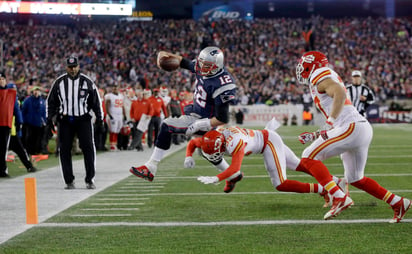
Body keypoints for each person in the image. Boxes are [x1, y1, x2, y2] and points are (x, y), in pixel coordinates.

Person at [296, 51, 410, 222]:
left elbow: (340, 94)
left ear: (311, 65)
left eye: (303, 65)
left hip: (351, 127)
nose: (300, 69)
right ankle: (398, 203)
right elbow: (338, 114)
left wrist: (330, 121)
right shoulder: (325, 75)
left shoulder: (319, 73)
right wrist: (317, 133)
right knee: (356, 178)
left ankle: (339, 196)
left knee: (308, 157)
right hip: (357, 127)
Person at [130, 46, 237, 182]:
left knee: (166, 125)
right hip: (196, 112)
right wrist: (164, 55)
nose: (201, 67)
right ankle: (233, 175)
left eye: (206, 65)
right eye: (201, 63)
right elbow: (182, 61)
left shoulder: (223, 83)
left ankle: (151, 167)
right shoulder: (201, 67)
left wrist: (200, 124)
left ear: (216, 66)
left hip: (205, 120)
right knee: (207, 151)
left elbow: (223, 118)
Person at [191, 126, 328, 199]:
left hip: (268, 142)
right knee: (298, 165)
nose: (215, 157)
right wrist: (188, 157)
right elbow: (193, 142)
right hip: (266, 139)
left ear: (220, 145)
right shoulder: (212, 138)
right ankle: (333, 182)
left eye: (215, 153)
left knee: (280, 184)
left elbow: (235, 168)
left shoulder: (234, 142)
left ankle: (324, 189)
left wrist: (217, 177)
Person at [46, 56, 103, 190]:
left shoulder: (87, 82)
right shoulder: (59, 82)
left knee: (88, 148)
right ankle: (69, 180)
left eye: (75, 66)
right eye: (70, 67)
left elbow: (96, 102)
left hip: (83, 118)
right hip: (65, 120)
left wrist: (100, 119)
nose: (72, 69)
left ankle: (90, 179)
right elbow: (51, 102)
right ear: (66, 67)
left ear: (78, 66)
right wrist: (51, 118)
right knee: (64, 149)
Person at [0, 70, 17, 177]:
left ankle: (2, 169)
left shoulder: (11, 92)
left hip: (5, 124)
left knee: (2, 149)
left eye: (2, 79)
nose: (0, 81)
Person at [21, 86, 47, 155]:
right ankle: (29, 151)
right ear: (33, 92)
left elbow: (43, 112)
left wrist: (45, 121)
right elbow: (23, 111)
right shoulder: (27, 100)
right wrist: (24, 121)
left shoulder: (42, 101)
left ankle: (37, 151)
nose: (36, 92)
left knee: (38, 138)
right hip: (30, 123)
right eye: (35, 90)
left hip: (39, 123)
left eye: (37, 90)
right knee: (30, 138)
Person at [104, 83, 126, 151]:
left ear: (118, 88)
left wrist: (124, 115)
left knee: (117, 130)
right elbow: (106, 105)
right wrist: (109, 115)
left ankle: (115, 144)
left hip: (119, 115)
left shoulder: (121, 96)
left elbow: (122, 106)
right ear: (112, 88)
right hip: (113, 115)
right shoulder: (109, 96)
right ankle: (112, 145)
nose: (115, 88)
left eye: (116, 87)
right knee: (112, 130)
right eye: (114, 87)